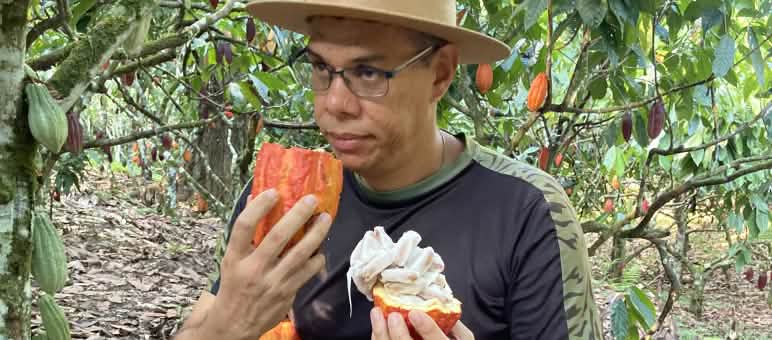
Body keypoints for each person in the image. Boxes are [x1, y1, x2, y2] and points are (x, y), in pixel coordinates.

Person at [174, 0, 603, 339]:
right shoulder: (278, 199)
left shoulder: (525, 212)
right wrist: (226, 325)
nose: (334, 104)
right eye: (322, 68)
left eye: (367, 72)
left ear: (440, 74)